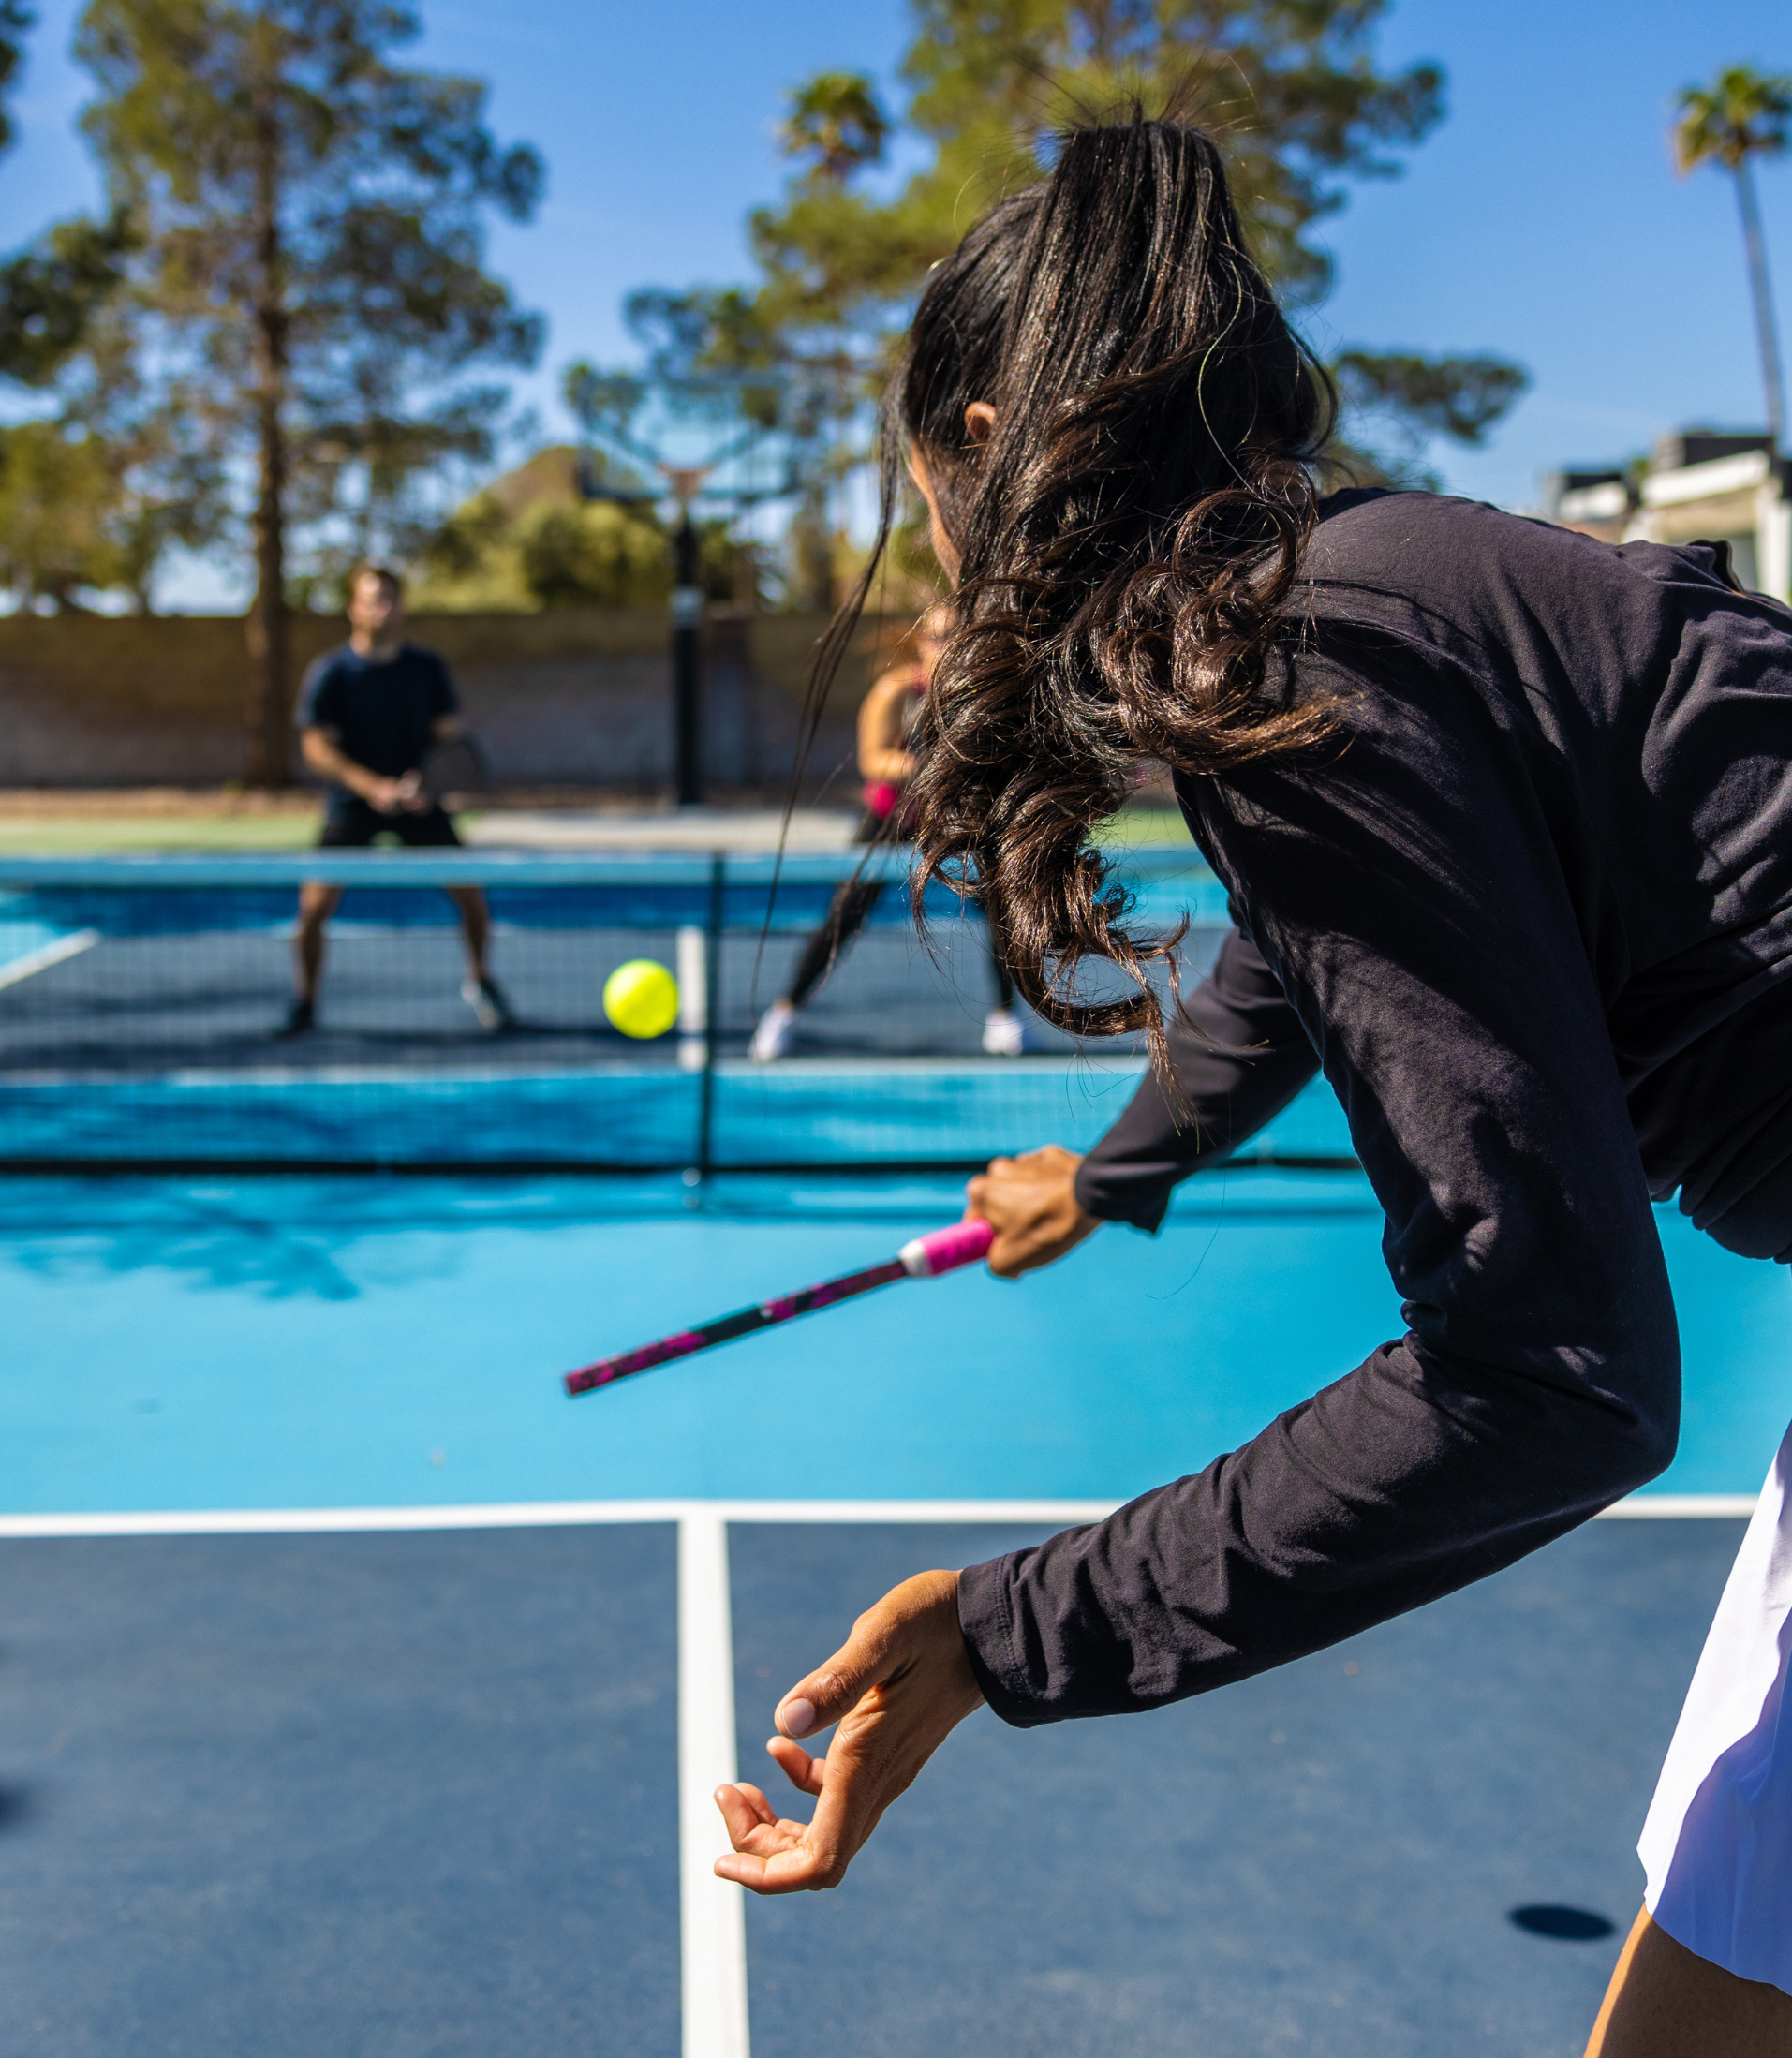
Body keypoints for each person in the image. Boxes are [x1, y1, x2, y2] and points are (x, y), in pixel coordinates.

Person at [703, 115, 1792, 2056]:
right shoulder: (1372, 597)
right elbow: (1301, 968)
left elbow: (1549, 1375)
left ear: (973, 447)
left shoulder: (1315, 659)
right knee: (1716, 1964)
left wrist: (1002, 1633)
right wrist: (1119, 1171)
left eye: (914, 486)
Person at [747, 601, 1032, 1060]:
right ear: (921, 643)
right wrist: (931, 765)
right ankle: (784, 1013)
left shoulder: (979, 694)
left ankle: (1004, 1017)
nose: (947, 645)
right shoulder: (896, 690)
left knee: (999, 909)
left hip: (957, 819)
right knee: (845, 915)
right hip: (892, 820)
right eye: (937, 636)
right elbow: (872, 759)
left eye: (957, 634)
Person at [283, 562, 511, 1036]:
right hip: (352, 806)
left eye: (390, 598)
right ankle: (305, 1001)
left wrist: (425, 786)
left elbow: (450, 739)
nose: (381, 607)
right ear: (353, 608)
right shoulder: (332, 673)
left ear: (402, 607)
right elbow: (316, 748)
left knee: (471, 896)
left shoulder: (426, 669)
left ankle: (481, 981)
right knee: (311, 911)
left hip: (419, 806)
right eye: (372, 598)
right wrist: (371, 788)